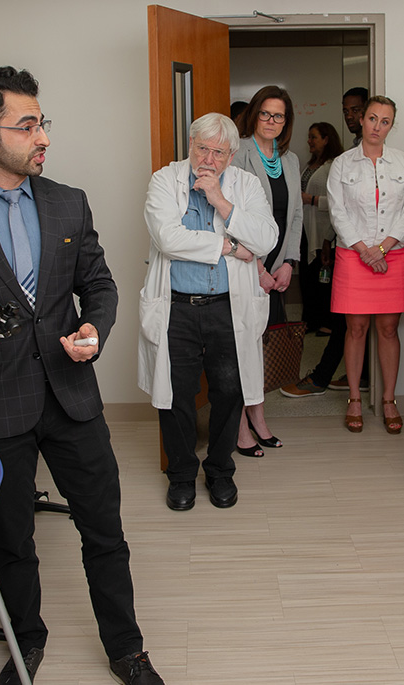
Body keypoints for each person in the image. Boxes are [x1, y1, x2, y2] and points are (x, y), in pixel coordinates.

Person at [0, 67, 163, 685]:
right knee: (14, 541)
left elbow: (97, 284)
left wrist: (95, 330)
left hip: (72, 396)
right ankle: (26, 645)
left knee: (105, 529)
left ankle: (126, 649)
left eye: (42, 121)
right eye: (28, 124)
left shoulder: (68, 202)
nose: (42, 135)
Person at [139, 112, 278, 510]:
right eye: (203, 148)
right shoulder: (164, 181)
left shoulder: (246, 184)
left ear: (231, 155)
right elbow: (168, 238)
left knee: (229, 394)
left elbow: (266, 238)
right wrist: (232, 246)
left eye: (219, 152)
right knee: (177, 397)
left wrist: (220, 200)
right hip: (177, 308)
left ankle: (220, 472)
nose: (209, 159)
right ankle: (181, 476)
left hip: (227, 309)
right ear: (190, 145)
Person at [327, 95, 404, 434]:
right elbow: (337, 212)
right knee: (356, 329)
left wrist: (382, 249)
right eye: (372, 118)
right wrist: (366, 250)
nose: (377, 127)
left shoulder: (403, 163)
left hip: (392, 254)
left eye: (385, 121)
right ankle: (354, 398)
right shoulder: (342, 163)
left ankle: (389, 399)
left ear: (391, 126)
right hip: (354, 254)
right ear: (361, 120)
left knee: (388, 329)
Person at [231, 85, 303, 458]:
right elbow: (230, 214)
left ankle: (258, 417)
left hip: (279, 268)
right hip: (246, 265)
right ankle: (240, 426)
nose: (272, 121)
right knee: (243, 347)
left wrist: (288, 263)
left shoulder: (289, 158)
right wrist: (258, 265)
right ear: (254, 114)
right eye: (266, 114)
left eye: (280, 116)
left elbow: (295, 215)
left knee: (263, 347)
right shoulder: (238, 152)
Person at [280, 122, 346, 398]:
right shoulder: (309, 164)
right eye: (308, 137)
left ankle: (324, 324)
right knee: (310, 280)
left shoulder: (336, 165)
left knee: (324, 284)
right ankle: (313, 321)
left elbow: (340, 204)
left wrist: (312, 199)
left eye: (314, 137)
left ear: (327, 139)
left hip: (325, 232)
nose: (309, 141)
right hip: (306, 228)